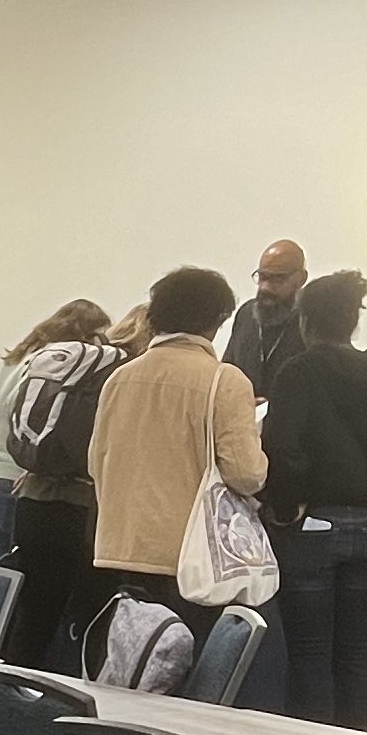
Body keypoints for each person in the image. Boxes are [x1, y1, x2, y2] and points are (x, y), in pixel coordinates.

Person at [259, 269, 367, 732]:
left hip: (313, 528)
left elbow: (281, 449)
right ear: (353, 319)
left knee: (310, 655)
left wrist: (287, 504)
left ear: (305, 321)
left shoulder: (298, 373)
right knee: (357, 654)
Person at [85, 264, 263, 633]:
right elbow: (246, 474)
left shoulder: (119, 378)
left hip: (121, 548)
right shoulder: (225, 381)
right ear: (217, 319)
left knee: (138, 657)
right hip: (191, 557)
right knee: (191, 659)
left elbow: (96, 462)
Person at [0, 300, 113, 667]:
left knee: (25, 610)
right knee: (77, 619)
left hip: (28, 489)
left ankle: (9, 684)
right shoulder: (97, 374)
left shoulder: (26, 361)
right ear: (89, 334)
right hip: (77, 501)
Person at [221, 237, 310, 391]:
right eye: (262, 277)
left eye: (277, 278)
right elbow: (227, 372)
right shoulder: (246, 314)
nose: (265, 287)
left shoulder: (312, 320)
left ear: (301, 278)